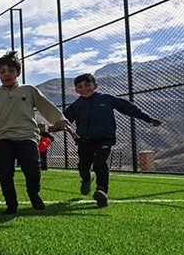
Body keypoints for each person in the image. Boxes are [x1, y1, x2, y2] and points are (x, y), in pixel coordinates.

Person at [0, 51, 71, 215]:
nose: (7, 74)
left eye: (11, 71)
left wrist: (60, 121)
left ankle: (34, 194)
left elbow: (46, 107)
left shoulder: (29, 90)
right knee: (5, 171)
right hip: (4, 138)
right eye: (2, 71)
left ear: (18, 73)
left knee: (32, 170)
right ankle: (11, 204)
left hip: (27, 137)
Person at [63, 73, 162, 207]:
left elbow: (128, 108)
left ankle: (101, 190)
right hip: (84, 141)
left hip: (104, 139)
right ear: (76, 90)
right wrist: (52, 127)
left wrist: (148, 118)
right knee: (83, 167)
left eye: (87, 85)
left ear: (95, 86)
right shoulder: (76, 105)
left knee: (99, 162)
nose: (84, 88)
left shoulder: (106, 99)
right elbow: (63, 120)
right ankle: (86, 179)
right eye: (80, 87)